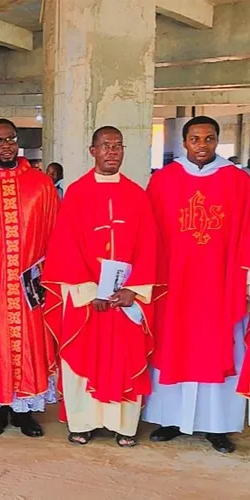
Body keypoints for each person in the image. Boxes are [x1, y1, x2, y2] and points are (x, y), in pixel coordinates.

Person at [43, 126, 158, 448]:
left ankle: (123, 425)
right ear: (92, 151)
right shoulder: (77, 193)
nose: (112, 151)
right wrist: (89, 290)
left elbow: (149, 245)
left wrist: (133, 290)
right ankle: (84, 422)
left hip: (125, 298)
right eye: (106, 146)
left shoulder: (136, 194)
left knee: (124, 356)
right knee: (85, 355)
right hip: (87, 297)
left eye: (118, 146)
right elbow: (65, 245)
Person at [142, 116, 250, 454]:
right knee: (174, 344)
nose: (201, 145)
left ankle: (217, 426)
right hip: (175, 283)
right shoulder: (163, 181)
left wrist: (245, 279)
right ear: (184, 142)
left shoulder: (237, 181)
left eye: (209, 138)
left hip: (220, 283)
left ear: (217, 140)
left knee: (218, 346)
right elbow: (149, 234)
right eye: (194, 139)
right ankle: (170, 420)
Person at [0, 118, 59, 438]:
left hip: (30, 282)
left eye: (10, 139)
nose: (6, 145)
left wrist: (50, 274)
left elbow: (55, 231)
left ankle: (24, 410)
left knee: (30, 343)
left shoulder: (41, 184)